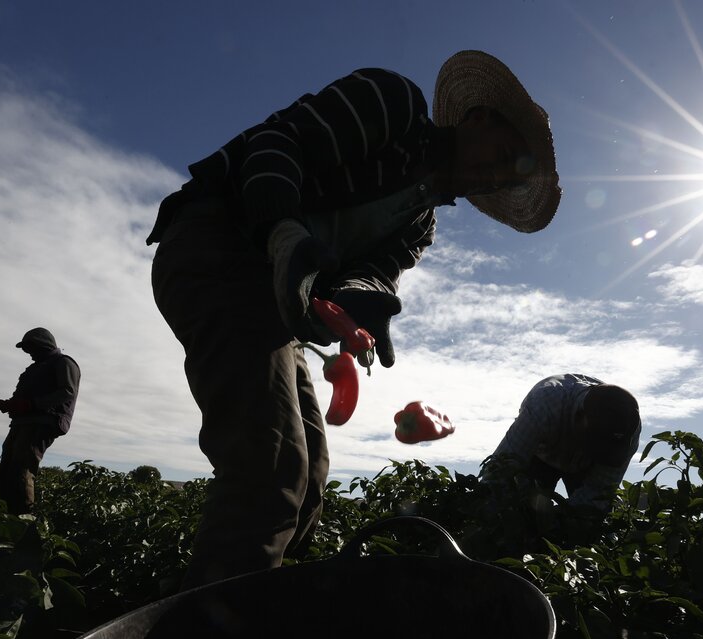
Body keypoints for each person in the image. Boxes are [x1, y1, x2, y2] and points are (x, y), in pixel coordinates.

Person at [146, 50, 561, 587]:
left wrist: (360, 308)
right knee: (271, 468)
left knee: (311, 474)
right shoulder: (392, 104)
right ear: (476, 119)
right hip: (217, 247)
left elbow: (373, 276)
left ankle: (262, 601)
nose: (496, 176)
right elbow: (276, 144)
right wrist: (282, 230)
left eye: (509, 178)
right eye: (505, 154)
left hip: (273, 304)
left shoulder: (419, 225)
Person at [490, 374, 641, 508]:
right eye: (593, 445)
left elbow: (598, 492)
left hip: (584, 467)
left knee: (590, 523)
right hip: (540, 457)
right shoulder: (544, 404)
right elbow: (502, 466)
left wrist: (566, 522)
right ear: (578, 417)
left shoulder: (628, 429)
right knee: (518, 509)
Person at [0, 328, 81, 514]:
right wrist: (1, 405)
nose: (29, 354)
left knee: (21, 471)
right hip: (22, 423)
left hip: (43, 422)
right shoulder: (34, 369)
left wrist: (31, 405)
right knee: (5, 474)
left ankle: (24, 524)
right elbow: (21, 402)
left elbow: (67, 392)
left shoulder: (64, 362)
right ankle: (6, 519)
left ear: (44, 345)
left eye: (31, 348)